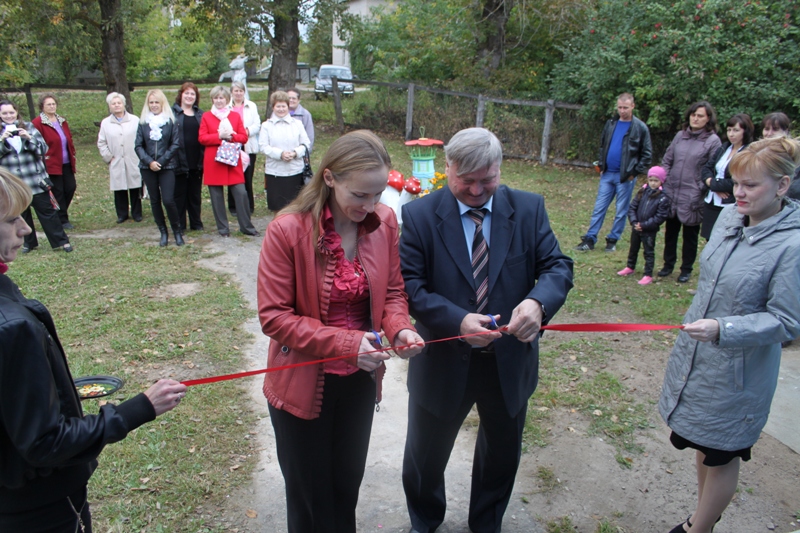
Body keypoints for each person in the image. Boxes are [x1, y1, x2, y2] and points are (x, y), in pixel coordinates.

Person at [399, 127, 574, 533]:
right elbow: (409, 285)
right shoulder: (421, 216)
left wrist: (538, 302)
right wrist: (456, 321)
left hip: (508, 362)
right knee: (426, 454)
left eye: (487, 179)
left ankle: (486, 522)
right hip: (443, 362)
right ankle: (424, 521)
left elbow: (557, 266)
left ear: (500, 168)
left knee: (502, 454)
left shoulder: (527, 209)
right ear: (448, 167)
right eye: (467, 180)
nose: (478, 190)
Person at [0, 167, 188, 532]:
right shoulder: (12, 327)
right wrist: (139, 408)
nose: (26, 229)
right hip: (39, 506)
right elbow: (45, 442)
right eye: (12, 220)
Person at [258, 130, 425, 532]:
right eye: (360, 195)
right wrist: (348, 343)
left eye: (378, 194)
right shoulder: (287, 231)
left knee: (345, 490)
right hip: (301, 385)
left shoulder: (384, 222)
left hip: (358, 384)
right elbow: (274, 317)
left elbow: (393, 292)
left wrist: (399, 328)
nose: (370, 206)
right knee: (311, 499)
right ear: (329, 178)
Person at [659, 136, 800, 533]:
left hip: (739, 373)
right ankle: (704, 514)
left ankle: (696, 529)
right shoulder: (727, 219)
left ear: (782, 186)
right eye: (736, 182)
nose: (738, 192)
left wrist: (725, 328)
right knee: (703, 444)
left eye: (750, 185)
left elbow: (787, 320)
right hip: (699, 359)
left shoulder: (793, 244)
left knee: (722, 453)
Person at [575, 93, 652, 252]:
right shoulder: (611, 124)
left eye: (625, 107)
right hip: (608, 174)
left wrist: (634, 172)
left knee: (621, 210)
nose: (622, 111)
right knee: (599, 207)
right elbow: (603, 146)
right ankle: (590, 238)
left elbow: (647, 154)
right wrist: (602, 165)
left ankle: (613, 239)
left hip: (625, 177)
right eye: (620, 107)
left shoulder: (639, 128)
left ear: (633, 106)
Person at [659, 101, 722, 283]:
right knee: (670, 232)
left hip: (693, 194)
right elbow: (667, 159)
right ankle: (667, 265)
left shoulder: (712, 141)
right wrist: (666, 180)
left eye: (700, 115)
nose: (695, 118)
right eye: (693, 115)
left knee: (690, 235)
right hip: (672, 191)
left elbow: (712, 167)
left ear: (708, 118)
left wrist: (700, 187)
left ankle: (686, 269)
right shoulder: (680, 136)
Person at [0, 99, 72, 253]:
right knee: (20, 214)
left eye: (11, 112)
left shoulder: (29, 126)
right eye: (4, 113)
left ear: (16, 112)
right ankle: (28, 243)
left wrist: (29, 138)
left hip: (34, 179)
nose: (8, 116)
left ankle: (61, 241)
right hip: (13, 183)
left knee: (47, 212)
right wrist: (2, 140)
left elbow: (43, 148)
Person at [198, 86, 258, 237]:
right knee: (216, 196)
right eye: (216, 98)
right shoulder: (206, 116)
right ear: (212, 99)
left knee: (241, 192)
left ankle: (246, 226)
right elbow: (202, 138)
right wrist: (218, 136)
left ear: (227, 99)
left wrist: (231, 136)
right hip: (214, 161)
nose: (219, 101)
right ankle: (223, 229)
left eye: (222, 98)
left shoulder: (235, 116)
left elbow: (243, 137)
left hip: (232, 160)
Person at [134, 89, 183, 247]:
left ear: (162, 103)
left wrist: (161, 161)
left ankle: (176, 230)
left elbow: (175, 144)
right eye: (151, 102)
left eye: (157, 102)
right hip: (147, 167)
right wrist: (149, 162)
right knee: (155, 200)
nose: (154, 105)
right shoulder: (143, 123)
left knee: (168, 200)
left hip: (167, 166)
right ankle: (163, 231)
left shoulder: (171, 121)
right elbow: (138, 146)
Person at [699, 113, 754, 240]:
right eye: (729, 130)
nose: (731, 134)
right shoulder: (724, 148)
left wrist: (713, 184)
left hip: (729, 203)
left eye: (736, 130)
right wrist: (714, 186)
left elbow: (738, 180)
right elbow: (707, 169)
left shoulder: (748, 152)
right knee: (710, 239)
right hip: (712, 201)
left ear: (745, 131)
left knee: (724, 239)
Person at [616, 166, 670, 285]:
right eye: (651, 180)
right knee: (633, 248)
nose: (653, 183)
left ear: (661, 181)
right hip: (637, 227)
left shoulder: (663, 198)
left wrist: (645, 225)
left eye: (656, 180)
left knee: (648, 252)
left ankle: (648, 274)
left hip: (649, 230)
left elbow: (660, 217)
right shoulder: (642, 192)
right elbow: (632, 207)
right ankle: (630, 266)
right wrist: (634, 222)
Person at [258, 91, 311, 212]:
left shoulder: (297, 124)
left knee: (295, 207)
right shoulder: (266, 126)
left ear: (288, 107)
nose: (281, 109)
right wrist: (280, 154)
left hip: (295, 171)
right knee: (278, 207)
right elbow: (263, 146)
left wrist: (295, 153)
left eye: (283, 106)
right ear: (273, 107)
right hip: (275, 172)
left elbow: (306, 143)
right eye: (278, 106)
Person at [32, 93, 77, 229]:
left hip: (67, 161)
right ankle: (62, 219)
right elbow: (36, 143)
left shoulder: (62, 120)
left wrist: (73, 153)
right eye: (48, 104)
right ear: (42, 107)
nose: (52, 107)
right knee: (58, 191)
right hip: (52, 163)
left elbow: (68, 138)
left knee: (70, 187)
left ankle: (59, 212)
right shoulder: (38, 123)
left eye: (53, 104)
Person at [97, 92, 144, 224]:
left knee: (135, 186)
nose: (117, 105)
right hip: (116, 159)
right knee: (119, 188)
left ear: (124, 104)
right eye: (114, 103)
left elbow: (141, 138)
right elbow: (101, 142)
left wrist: (140, 156)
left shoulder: (135, 120)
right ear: (110, 106)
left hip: (132, 158)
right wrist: (108, 156)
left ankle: (137, 213)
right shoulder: (106, 123)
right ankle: (122, 214)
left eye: (119, 103)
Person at [172, 82, 205, 232]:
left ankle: (196, 223)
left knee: (195, 194)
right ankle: (180, 224)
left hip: (196, 159)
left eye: (193, 94)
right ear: (181, 95)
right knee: (179, 194)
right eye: (187, 93)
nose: (189, 96)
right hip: (178, 159)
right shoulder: (172, 114)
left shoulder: (200, 114)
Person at [227, 81, 260, 216]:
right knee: (232, 176)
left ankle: (249, 206)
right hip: (231, 145)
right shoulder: (227, 106)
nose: (238, 93)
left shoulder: (251, 106)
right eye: (236, 91)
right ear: (232, 92)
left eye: (241, 91)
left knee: (247, 177)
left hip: (248, 145)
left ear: (244, 92)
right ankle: (233, 206)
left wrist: (245, 132)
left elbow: (257, 125)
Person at [760, 112, 800, 200]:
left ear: (786, 131)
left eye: (775, 129)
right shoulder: (757, 152)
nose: (769, 133)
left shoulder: (794, 153)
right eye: (766, 129)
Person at [286, 87, 315, 153]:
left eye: (293, 98)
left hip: (299, 152)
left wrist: (306, 152)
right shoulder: (278, 113)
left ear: (298, 100)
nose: (291, 100)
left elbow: (310, 135)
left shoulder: (305, 114)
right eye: (289, 98)